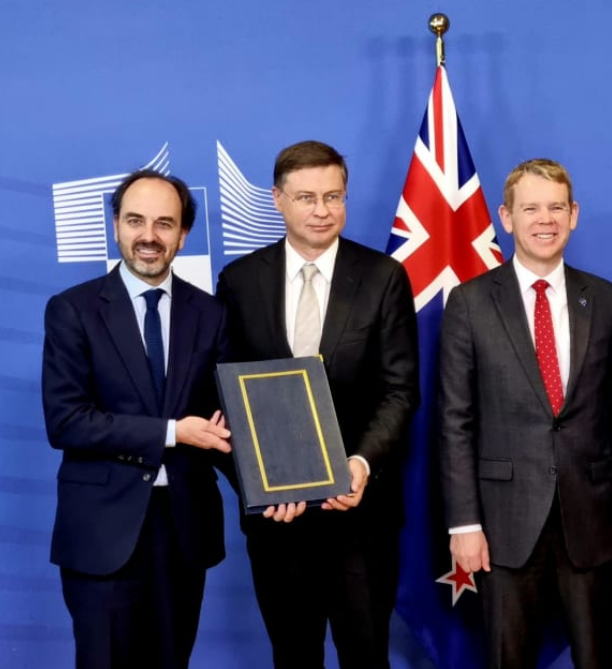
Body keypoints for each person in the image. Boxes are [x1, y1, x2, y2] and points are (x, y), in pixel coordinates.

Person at [438, 158, 612, 668]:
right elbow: (455, 421)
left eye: (557, 207)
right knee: (508, 658)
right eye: (530, 208)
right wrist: (463, 523)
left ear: (574, 214)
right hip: (503, 522)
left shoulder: (606, 300)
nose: (545, 219)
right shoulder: (469, 303)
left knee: (599, 657)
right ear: (506, 218)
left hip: (594, 518)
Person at [216, 140, 420, 669]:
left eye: (334, 196)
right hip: (278, 522)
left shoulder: (383, 277)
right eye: (306, 197)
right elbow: (225, 398)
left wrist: (361, 464)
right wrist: (256, 488)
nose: (322, 210)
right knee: (293, 656)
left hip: (361, 515)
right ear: (278, 199)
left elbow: (401, 390)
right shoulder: (239, 282)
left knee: (366, 655)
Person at [42, 170, 232, 669]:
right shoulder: (72, 311)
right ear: (116, 226)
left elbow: (229, 420)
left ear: (183, 235)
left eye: (165, 224)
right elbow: (67, 421)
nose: (149, 236)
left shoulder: (211, 314)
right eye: (136, 221)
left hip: (183, 532)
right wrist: (172, 432)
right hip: (103, 532)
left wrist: (283, 486)